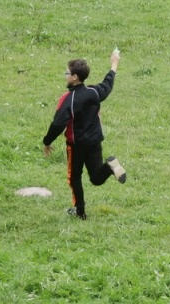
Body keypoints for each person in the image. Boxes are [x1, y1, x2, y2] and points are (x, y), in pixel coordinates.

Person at [43, 50, 127, 220]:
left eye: (67, 73)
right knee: (96, 178)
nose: (65, 75)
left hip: (76, 146)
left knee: (74, 177)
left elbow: (58, 123)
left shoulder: (68, 99)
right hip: (95, 142)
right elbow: (107, 84)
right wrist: (114, 64)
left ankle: (80, 212)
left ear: (75, 77)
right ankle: (110, 166)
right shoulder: (94, 92)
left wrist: (47, 141)